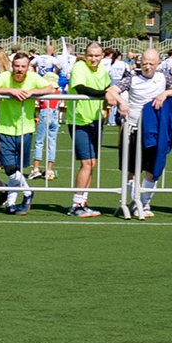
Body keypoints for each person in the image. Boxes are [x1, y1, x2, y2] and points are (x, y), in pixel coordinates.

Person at [109, 46, 172, 218]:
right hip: (133, 129)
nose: (147, 66)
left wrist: (166, 94)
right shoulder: (132, 79)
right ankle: (132, 202)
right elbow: (111, 90)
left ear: (158, 63)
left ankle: (145, 203)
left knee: (152, 169)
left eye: (151, 63)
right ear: (140, 62)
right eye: (145, 63)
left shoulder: (164, 78)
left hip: (154, 130)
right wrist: (121, 103)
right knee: (131, 169)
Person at [0, 50, 43, 213]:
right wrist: (11, 91)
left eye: (23, 66)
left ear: (28, 67)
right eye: (16, 66)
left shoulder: (33, 78)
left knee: (16, 169)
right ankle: (28, 191)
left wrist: (32, 92)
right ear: (12, 66)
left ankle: (11, 203)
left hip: (25, 129)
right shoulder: (5, 77)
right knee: (10, 168)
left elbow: (51, 88)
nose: (19, 69)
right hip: (5, 128)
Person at [63, 41, 113, 217]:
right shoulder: (79, 67)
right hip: (79, 120)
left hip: (95, 119)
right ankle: (75, 205)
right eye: (90, 55)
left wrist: (108, 102)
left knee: (92, 163)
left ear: (102, 56)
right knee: (86, 163)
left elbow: (108, 87)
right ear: (85, 55)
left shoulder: (102, 70)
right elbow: (82, 88)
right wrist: (105, 94)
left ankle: (83, 202)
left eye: (97, 55)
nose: (93, 59)